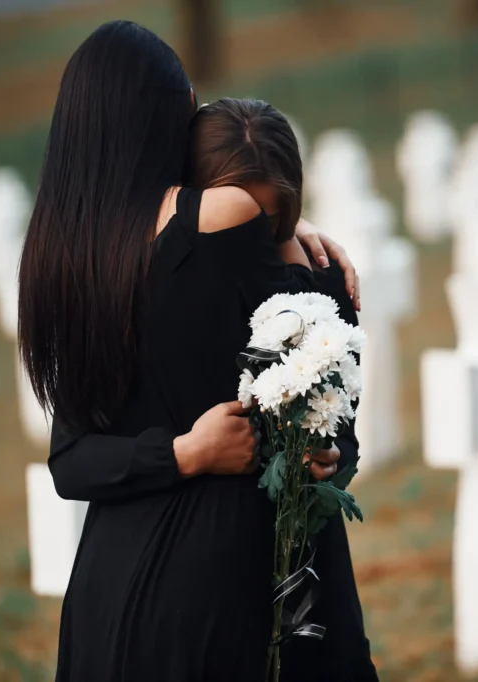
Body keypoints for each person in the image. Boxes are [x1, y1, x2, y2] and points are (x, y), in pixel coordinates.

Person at [20, 21, 375, 681]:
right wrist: (296, 234)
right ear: (165, 120)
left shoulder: (62, 262)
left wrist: (176, 453)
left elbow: (71, 464)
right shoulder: (224, 218)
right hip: (234, 590)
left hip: (110, 603)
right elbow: (325, 345)